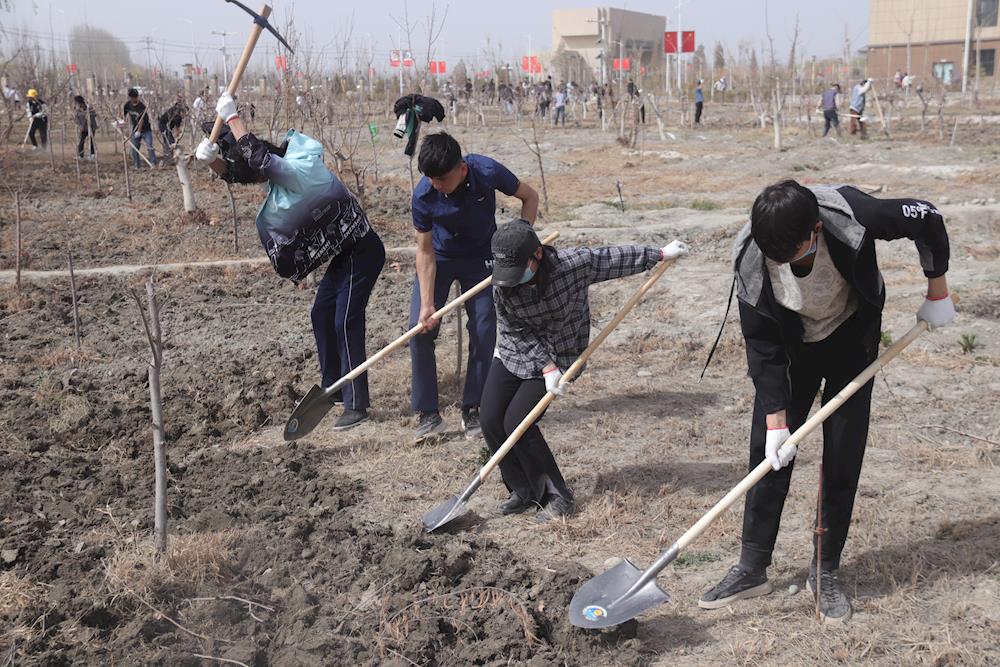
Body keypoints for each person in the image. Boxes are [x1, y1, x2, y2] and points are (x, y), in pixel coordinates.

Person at [700, 180, 954, 624]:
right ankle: (752, 566)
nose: (783, 264)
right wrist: (777, 422)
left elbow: (928, 217)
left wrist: (938, 289)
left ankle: (826, 568)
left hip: (851, 339)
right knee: (769, 453)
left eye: (793, 254)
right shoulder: (750, 257)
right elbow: (762, 346)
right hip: (792, 346)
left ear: (815, 229)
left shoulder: (853, 214)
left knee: (842, 452)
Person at [196, 93, 385, 430]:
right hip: (345, 254)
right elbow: (250, 171)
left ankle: (357, 403)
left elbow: (261, 163)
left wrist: (234, 118)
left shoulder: (300, 168)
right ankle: (335, 389)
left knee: (344, 320)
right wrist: (215, 163)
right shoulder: (282, 174)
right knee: (322, 313)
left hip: (363, 249)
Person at [483, 220, 689, 521]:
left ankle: (557, 496)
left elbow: (610, 259)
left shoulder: (572, 266)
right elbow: (512, 329)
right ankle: (523, 490)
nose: (514, 280)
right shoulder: (502, 282)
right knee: (490, 418)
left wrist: (658, 254)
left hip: (562, 353)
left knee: (518, 422)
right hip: (519, 351)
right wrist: (544, 365)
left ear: (537, 255)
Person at [409, 132, 539, 442]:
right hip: (439, 259)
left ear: (462, 169)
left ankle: (474, 407)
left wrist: (522, 238)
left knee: (484, 331)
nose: (435, 185)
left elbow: (530, 197)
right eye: (430, 178)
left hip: (482, 257)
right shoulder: (423, 195)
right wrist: (428, 303)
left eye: (441, 178)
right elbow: (424, 251)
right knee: (420, 331)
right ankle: (428, 414)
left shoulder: (487, 171)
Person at [123, 88, 157, 168]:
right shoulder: (127, 105)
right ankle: (137, 165)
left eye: (133, 97)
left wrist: (139, 131)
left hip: (145, 130)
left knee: (149, 147)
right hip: (135, 129)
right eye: (130, 97)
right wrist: (122, 123)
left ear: (137, 97)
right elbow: (124, 114)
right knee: (134, 148)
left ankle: (153, 163)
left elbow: (142, 120)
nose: (132, 99)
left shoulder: (142, 107)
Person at [73, 95, 97, 160]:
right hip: (83, 127)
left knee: (91, 140)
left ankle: (92, 155)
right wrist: (80, 126)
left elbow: (94, 114)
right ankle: (80, 156)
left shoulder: (88, 106)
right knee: (81, 141)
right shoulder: (77, 108)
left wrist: (88, 113)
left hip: (91, 126)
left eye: (76, 102)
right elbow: (76, 118)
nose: (76, 103)